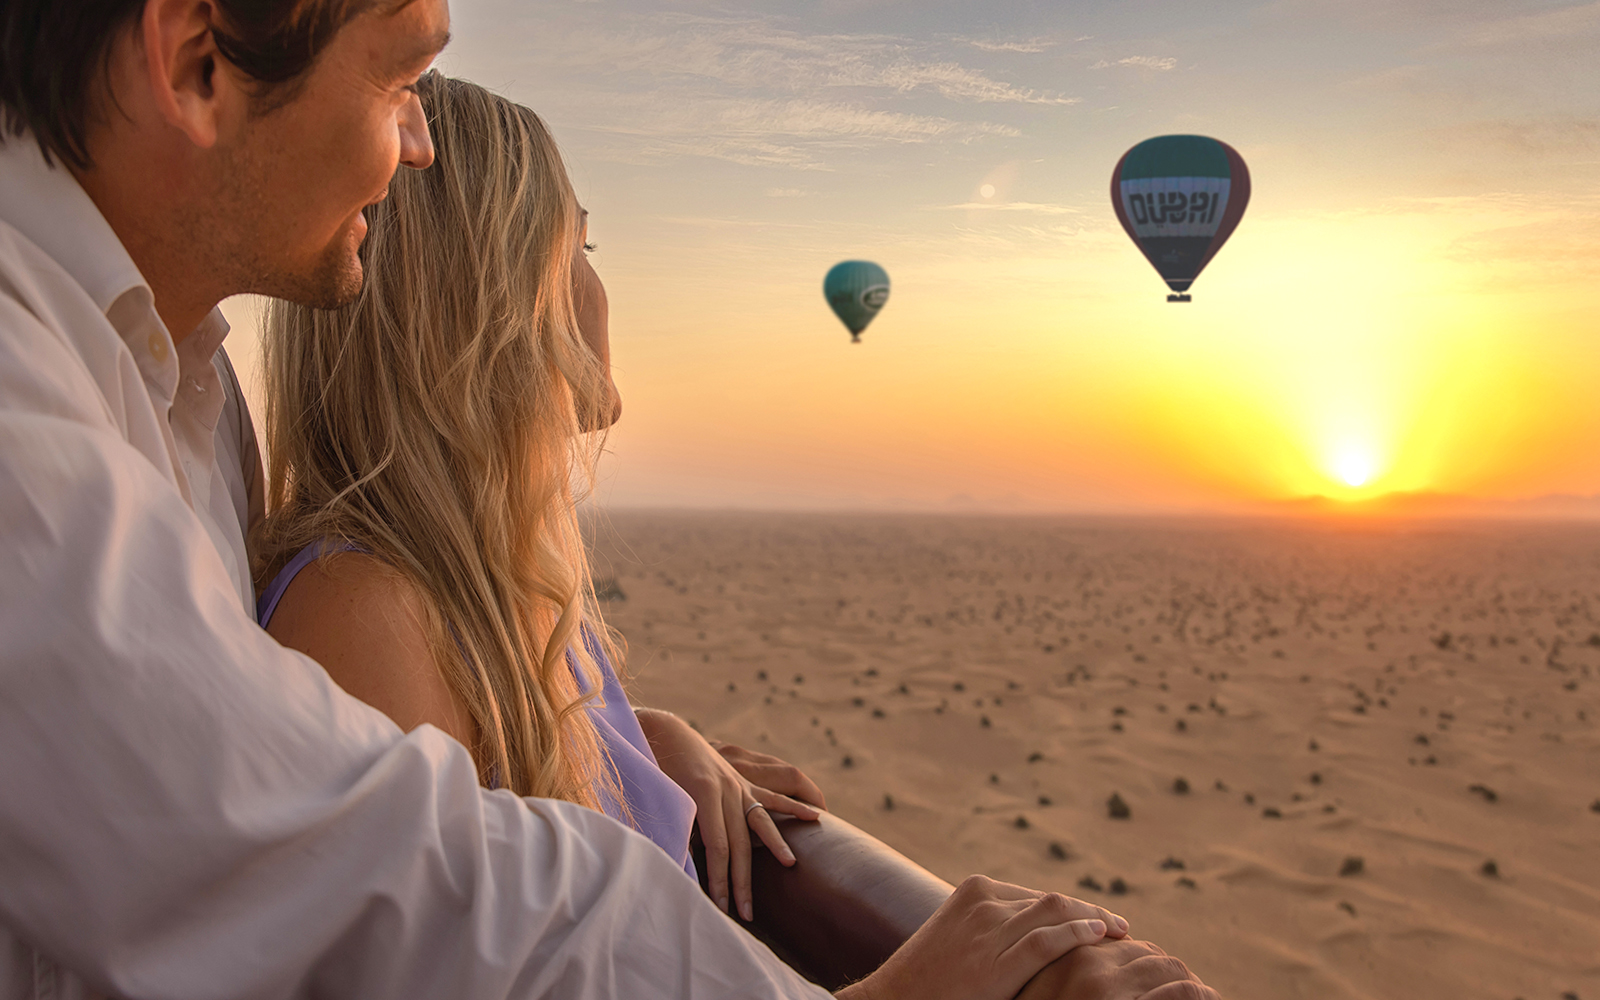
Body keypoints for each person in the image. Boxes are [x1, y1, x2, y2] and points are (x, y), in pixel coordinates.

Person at [0, 1, 1219, 997]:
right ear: (196, 61)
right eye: (398, 79)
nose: (415, 140)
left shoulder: (184, 387)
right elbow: (358, 870)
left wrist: (619, 741)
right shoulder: (49, 431)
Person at [254, 72, 830, 923]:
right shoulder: (364, 615)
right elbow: (435, 967)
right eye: (578, 251)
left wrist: (639, 743)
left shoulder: (500, 592)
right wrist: (898, 986)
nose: (597, 291)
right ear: (487, 296)